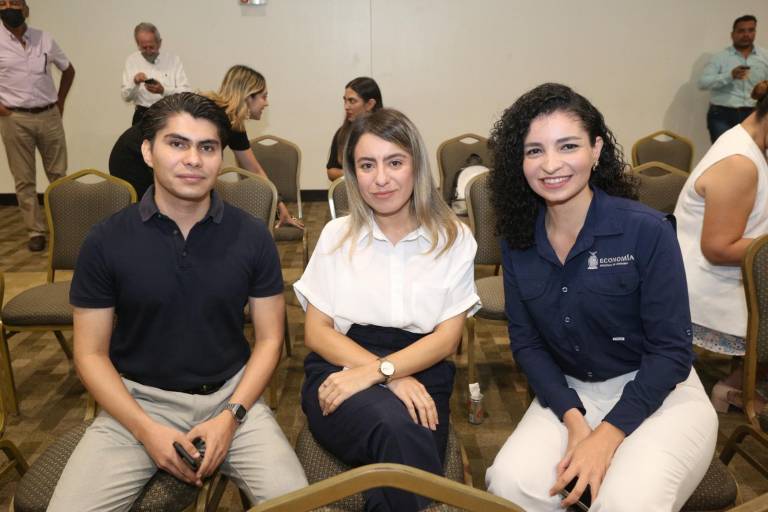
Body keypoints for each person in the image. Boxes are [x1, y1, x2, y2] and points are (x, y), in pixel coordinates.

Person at [47, 93, 307, 511]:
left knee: (296, 505)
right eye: (177, 144)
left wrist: (231, 417)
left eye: (207, 147)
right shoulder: (105, 240)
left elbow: (270, 340)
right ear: (148, 152)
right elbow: (90, 354)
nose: (193, 159)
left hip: (232, 398)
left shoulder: (251, 235)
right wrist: (144, 429)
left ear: (220, 157)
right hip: (136, 403)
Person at [484, 83, 717, 512]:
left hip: (660, 392)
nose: (550, 164)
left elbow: (671, 352)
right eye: (534, 151)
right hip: (572, 393)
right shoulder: (517, 241)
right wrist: (575, 422)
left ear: (596, 149)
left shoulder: (646, 230)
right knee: (509, 485)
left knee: (625, 503)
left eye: (567, 146)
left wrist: (607, 435)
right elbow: (527, 344)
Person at [294, 108, 480, 512]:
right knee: (397, 430)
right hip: (340, 366)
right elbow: (317, 332)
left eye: (395, 162)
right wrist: (389, 377)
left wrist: (382, 372)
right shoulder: (336, 235)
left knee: (399, 452)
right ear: (352, 173)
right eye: (367, 165)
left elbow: (447, 339)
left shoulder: (454, 238)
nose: (380, 178)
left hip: (424, 369)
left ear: (417, 166)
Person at [109, 65, 302, 228]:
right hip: (132, 156)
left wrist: (279, 206)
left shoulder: (234, 124)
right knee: (154, 218)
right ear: (249, 96)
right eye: (263, 96)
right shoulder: (209, 112)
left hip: (144, 155)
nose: (266, 103)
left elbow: (254, 169)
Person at [674, 80, 768, 413]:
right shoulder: (739, 163)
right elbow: (718, 247)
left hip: (722, 278)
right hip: (704, 286)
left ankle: (735, 385)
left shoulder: (748, 144)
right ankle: (735, 388)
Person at [0, 0, 75, 252]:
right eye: (2, 4)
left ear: (26, 9)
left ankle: (64, 228)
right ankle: (35, 231)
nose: (8, 8)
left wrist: (60, 102)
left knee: (59, 175)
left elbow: (68, 70)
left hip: (48, 115)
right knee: (24, 179)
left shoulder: (44, 38)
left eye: (14, 3)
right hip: (15, 119)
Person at [698, 15, 768, 143]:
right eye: (741, 31)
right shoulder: (720, 57)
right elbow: (702, 83)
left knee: (754, 152)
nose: (746, 34)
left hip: (755, 113)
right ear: (732, 34)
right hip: (722, 115)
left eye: (751, 30)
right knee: (724, 152)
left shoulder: (765, 57)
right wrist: (729, 76)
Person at [121, 22, 191, 126]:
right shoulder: (132, 61)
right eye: (144, 47)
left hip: (169, 115)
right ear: (137, 44)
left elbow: (186, 92)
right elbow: (126, 97)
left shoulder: (173, 60)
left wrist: (163, 90)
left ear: (159, 43)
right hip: (142, 116)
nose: (148, 51)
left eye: (151, 47)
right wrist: (134, 82)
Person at [325, 77, 383, 181]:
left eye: (352, 101)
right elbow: (331, 171)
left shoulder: (387, 133)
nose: (346, 107)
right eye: (345, 100)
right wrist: (356, 174)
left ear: (370, 104)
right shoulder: (342, 133)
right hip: (351, 190)